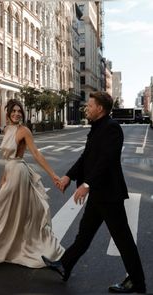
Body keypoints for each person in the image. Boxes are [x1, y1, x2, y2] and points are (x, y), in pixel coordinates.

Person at [42, 91, 146, 293]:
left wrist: (86, 184)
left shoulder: (112, 128)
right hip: (99, 195)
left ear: (100, 108)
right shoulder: (98, 128)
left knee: (122, 239)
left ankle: (137, 282)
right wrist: (68, 177)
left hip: (109, 195)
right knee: (84, 234)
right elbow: (86, 158)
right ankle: (65, 265)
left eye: (89, 105)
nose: (86, 108)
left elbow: (105, 161)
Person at [0, 98, 64, 268]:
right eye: (14, 111)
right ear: (8, 114)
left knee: (6, 211)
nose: (17, 114)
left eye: (19, 111)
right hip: (10, 172)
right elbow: (7, 159)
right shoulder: (6, 130)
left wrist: (53, 174)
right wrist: (2, 178)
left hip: (19, 173)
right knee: (2, 211)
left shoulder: (24, 131)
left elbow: (36, 154)